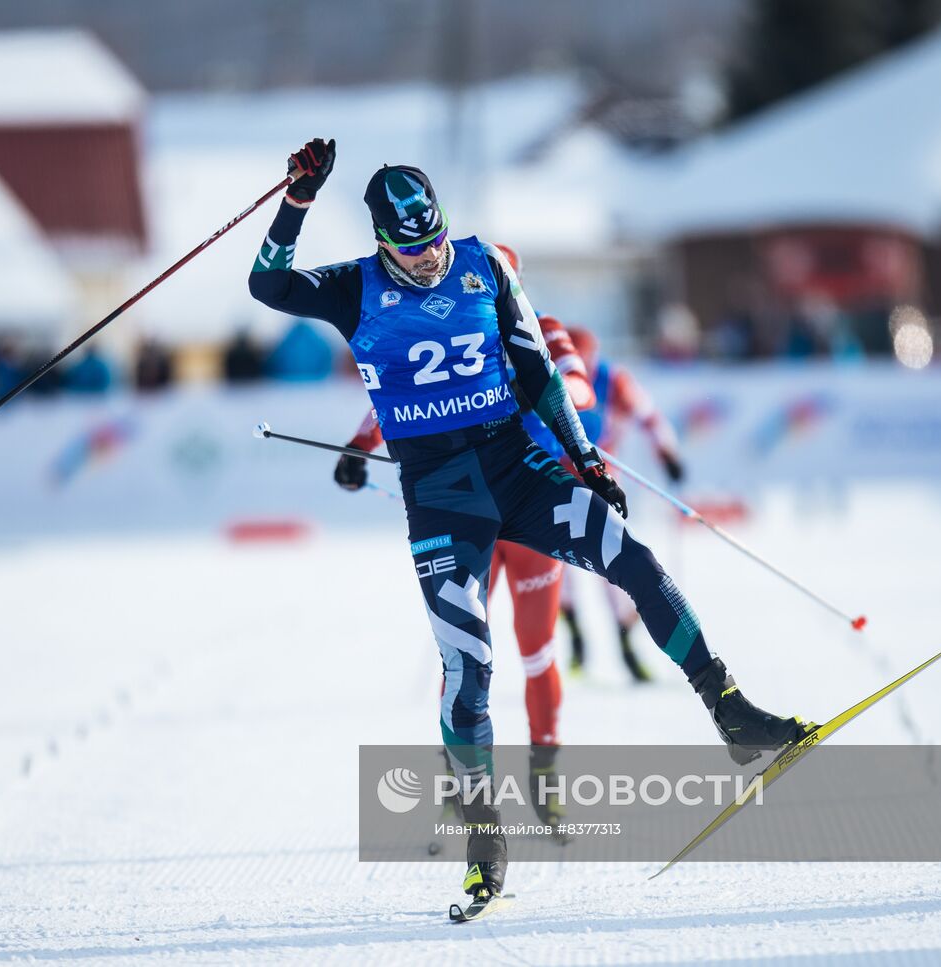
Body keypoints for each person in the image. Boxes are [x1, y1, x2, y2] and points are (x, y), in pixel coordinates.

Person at [248, 138, 810, 909]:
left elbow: (538, 369)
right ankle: (484, 840)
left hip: (518, 469)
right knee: (470, 665)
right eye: (411, 251)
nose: (430, 260)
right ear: (382, 243)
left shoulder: (486, 264)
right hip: (441, 497)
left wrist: (585, 458)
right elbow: (267, 282)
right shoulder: (354, 289)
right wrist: (298, 201)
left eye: (436, 241)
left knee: (630, 556)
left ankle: (732, 713)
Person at [333, 245, 595, 835]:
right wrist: (357, 449)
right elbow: (396, 400)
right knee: (463, 656)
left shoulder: (542, 328)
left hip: (528, 504)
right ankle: (463, 788)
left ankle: (546, 781)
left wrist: (529, 388)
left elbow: (579, 391)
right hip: (463, 506)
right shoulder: (442, 324)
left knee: (536, 648)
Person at [554, 326, 687, 683]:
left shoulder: (613, 380)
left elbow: (650, 418)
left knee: (613, 562)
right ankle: (576, 638)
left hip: (602, 478)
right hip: (557, 478)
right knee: (559, 563)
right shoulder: (546, 375)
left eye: (584, 360)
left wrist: (667, 453)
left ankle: (626, 643)